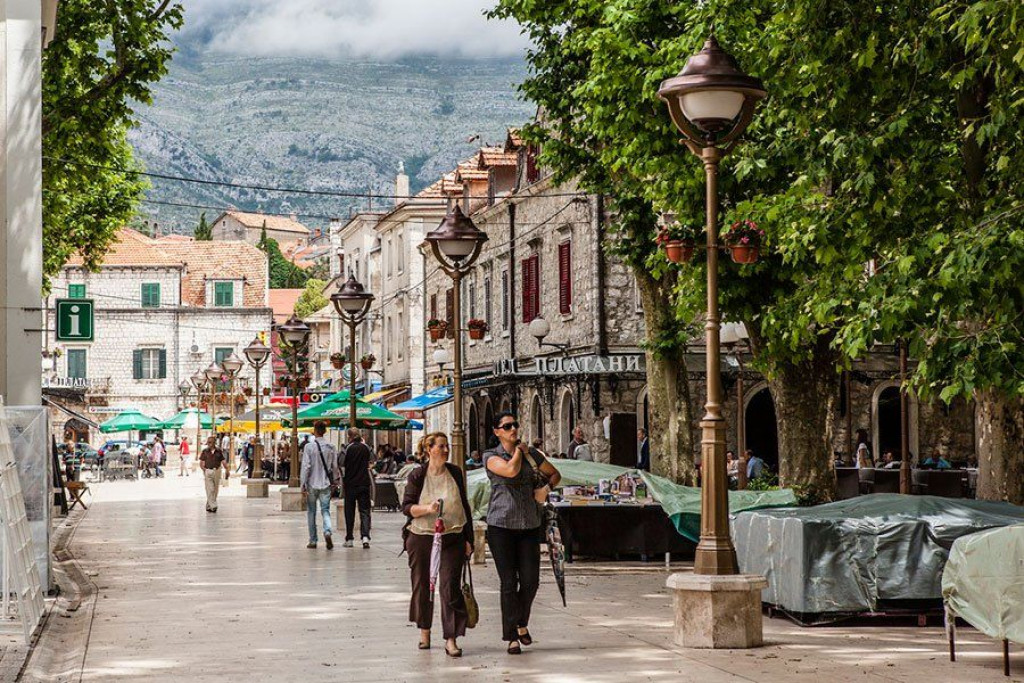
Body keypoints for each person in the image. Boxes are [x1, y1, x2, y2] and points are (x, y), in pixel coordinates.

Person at [484, 411, 561, 655]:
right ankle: (511, 638)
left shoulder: (533, 455)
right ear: (497, 432)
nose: (513, 429)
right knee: (509, 582)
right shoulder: (491, 456)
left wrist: (546, 489)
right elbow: (509, 471)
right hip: (501, 526)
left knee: (530, 581)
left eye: (515, 424)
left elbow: (555, 473)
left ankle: (521, 623)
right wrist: (520, 451)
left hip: (529, 525)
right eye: (507, 426)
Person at [401, 432, 474, 657]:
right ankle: (425, 631)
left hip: (453, 535)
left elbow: (464, 505)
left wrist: (469, 539)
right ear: (429, 449)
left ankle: (450, 639)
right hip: (422, 536)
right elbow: (407, 507)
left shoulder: (455, 472)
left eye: (447, 446)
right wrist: (427, 509)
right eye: (440, 446)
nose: (445, 450)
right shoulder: (418, 475)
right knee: (422, 585)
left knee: (450, 586)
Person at [301, 421, 340, 550]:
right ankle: (327, 532)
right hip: (326, 484)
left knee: (311, 512)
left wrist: (303, 484)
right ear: (325, 431)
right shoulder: (331, 447)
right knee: (325, 510)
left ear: (315, 430)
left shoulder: (309, 447)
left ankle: (313, 540)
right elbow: (334, 466)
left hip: (312, 483)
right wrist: (335, 480)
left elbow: (306, 466)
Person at [341, 428, 373, 548]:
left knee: (349, 511)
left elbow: (341, 463)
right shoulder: (366, 447)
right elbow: (371, 460)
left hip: (350, 484)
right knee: (365, 511)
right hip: (364, 483)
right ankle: (365, 537)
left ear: (349, 437)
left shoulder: (347, 448)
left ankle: (349, 538)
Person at [199, 436, 229, 513]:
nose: (208, 444)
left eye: (210, 442)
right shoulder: (205, 451)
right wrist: (205, 470)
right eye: (208, 442)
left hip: (217, 471)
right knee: (210, 489)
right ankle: (213, 506)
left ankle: (208, 505)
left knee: (215, 489)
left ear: (214, 443)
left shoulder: (219, 451)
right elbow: (201, 463)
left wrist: (227, 470)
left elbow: (223, 461)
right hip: (208, 471)